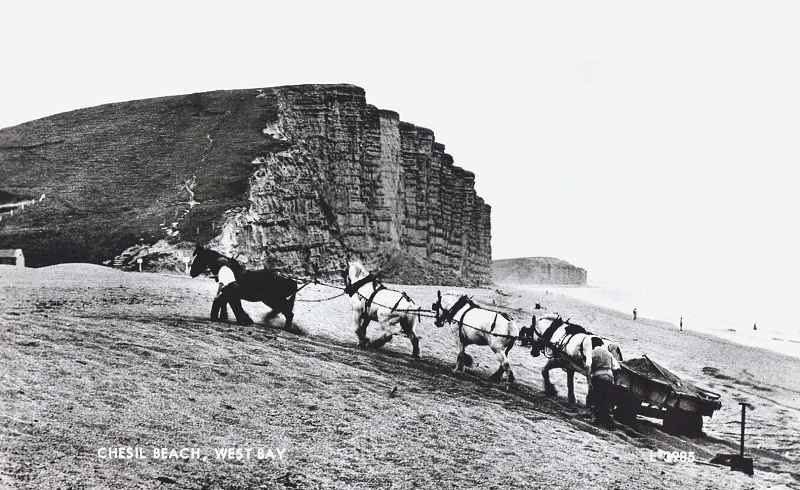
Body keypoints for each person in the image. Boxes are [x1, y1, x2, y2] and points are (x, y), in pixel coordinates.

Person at [589, 341, 618, 426]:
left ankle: (595, 418)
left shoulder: (592, 352)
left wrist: (590, 379)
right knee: (606, 400)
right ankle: (607, 420)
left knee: (596, 398)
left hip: (598, 377)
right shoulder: (609, 354)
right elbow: (616, 368)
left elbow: (588, 366)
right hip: (609, 378)